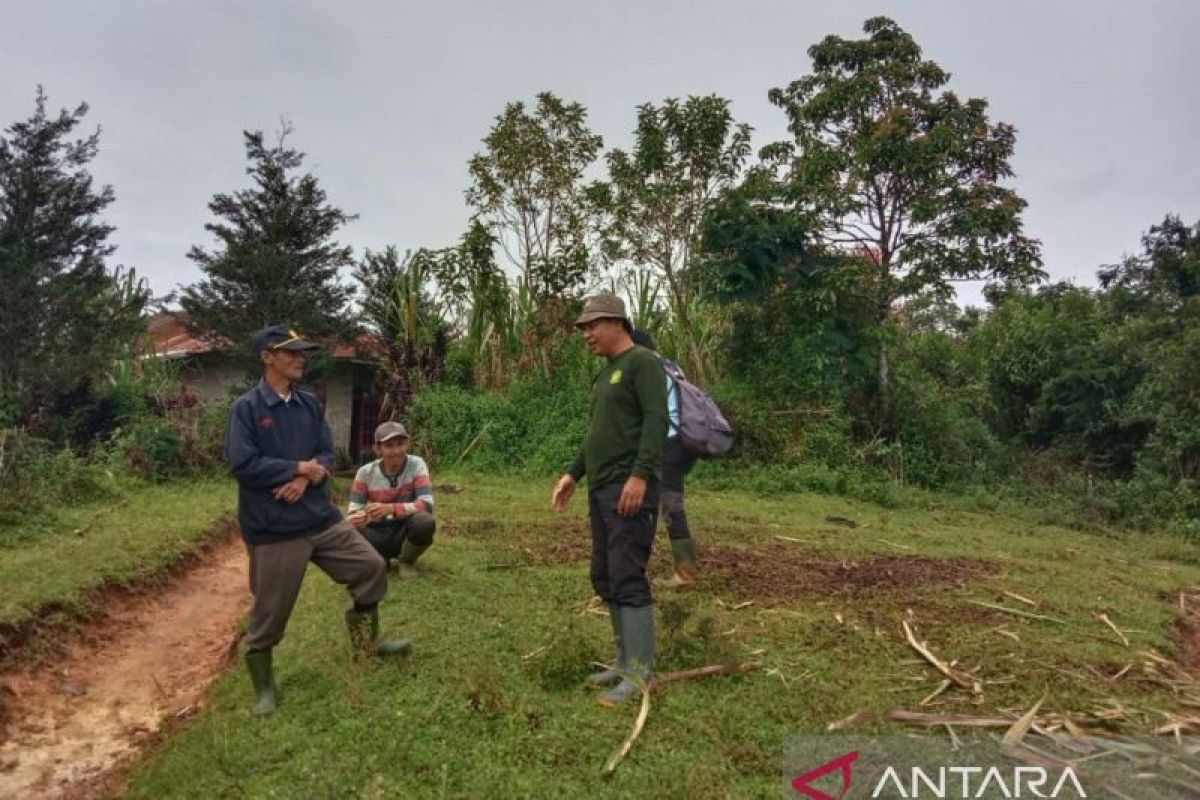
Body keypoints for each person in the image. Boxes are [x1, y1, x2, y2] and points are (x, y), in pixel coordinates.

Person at [225, 324, 410, 717]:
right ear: (267, 357)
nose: (299, 358)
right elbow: (242, 464)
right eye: (289, 352)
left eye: (302, 352)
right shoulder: (247, 410)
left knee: (370, 567)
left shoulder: (309, 404)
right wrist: (296, 467)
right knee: (270, 612)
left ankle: (366, 646)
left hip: (319, 518)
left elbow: (327, 454)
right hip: (275, 528)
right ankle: (264, 686)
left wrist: (307, 474)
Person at [551, 293, 668, 707]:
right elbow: (596, 433)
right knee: (604, 574)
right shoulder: (605, 375)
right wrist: (572, 473)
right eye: (583, 328)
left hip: (628, 487)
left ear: (617, 322)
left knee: (627, 572)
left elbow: (658, 419)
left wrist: (639, 475)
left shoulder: (643, 363)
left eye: (592, 325)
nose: (586, 334)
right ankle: (622, 661)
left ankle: (640, 674)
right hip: (601, 488)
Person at [630, 329, 699, 588]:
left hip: (667, 443)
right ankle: (639, 558)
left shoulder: (649, 368)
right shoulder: (671, 366)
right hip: (684, 441)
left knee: (670, 504)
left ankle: (685, 573)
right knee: (655, 499)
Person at [347, 421, 436, 579]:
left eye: (400, 444)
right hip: (377, 531)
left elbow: (427, 505)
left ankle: (407, 560)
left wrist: (391, 509)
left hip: (405, 530)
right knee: (351, 528)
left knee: (425, 521)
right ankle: (379, 560)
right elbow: (353, 511)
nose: (396, 451)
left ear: (407, 444)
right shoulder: (364, 473)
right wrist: (360, 516)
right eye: (389, 446)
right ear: (378, 448)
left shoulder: (417, 465)